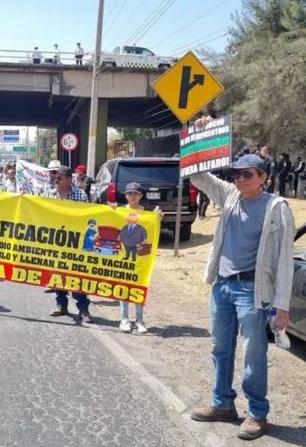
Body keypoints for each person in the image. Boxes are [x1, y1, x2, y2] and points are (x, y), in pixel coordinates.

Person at [188, 154, 295, 440]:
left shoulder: (277, 208)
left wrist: (282, 304)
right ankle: (222, 405)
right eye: (236, 174)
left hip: (252, 290)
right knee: (219, 348)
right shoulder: (230, 195)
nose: (239, 179)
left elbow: (285, 259)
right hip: (222, 286)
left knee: (253, 352)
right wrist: (195, 142)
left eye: (247, 174)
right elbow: (198, 177)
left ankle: (257, 413)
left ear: (263, 177)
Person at [109, 182, 162, 334]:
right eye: (130, 194)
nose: (133, 197)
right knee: (123, 286)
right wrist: (110, 211)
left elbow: (153, 229)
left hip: (141, 256)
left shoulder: (148, 213)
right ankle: (124, 318)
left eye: (136, 194)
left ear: (141, 196)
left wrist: (158, 216)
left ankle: (139, 319)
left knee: (140, 285)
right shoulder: (119, 210)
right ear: (126, 195)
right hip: (123, 255)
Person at [43, 166, 93, 322]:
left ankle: (83, 309)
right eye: (55, 175)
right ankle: (61, 305)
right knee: (57, 275)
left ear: (70, 179)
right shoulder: (49, 194)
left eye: (60, 176)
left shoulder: (80, 195)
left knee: (76, 276)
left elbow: (87, 217)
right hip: (55, 242)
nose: (56, 178)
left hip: (74, 243)